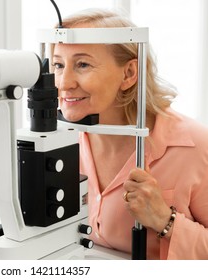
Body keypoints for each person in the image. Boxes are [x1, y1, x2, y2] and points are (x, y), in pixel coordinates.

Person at [52, 9, 208, 259]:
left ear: (129, 74)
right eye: (58, 65)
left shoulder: (195, 146)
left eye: (82, 64)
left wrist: (164, 220)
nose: (64, 82)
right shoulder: (60, 142)